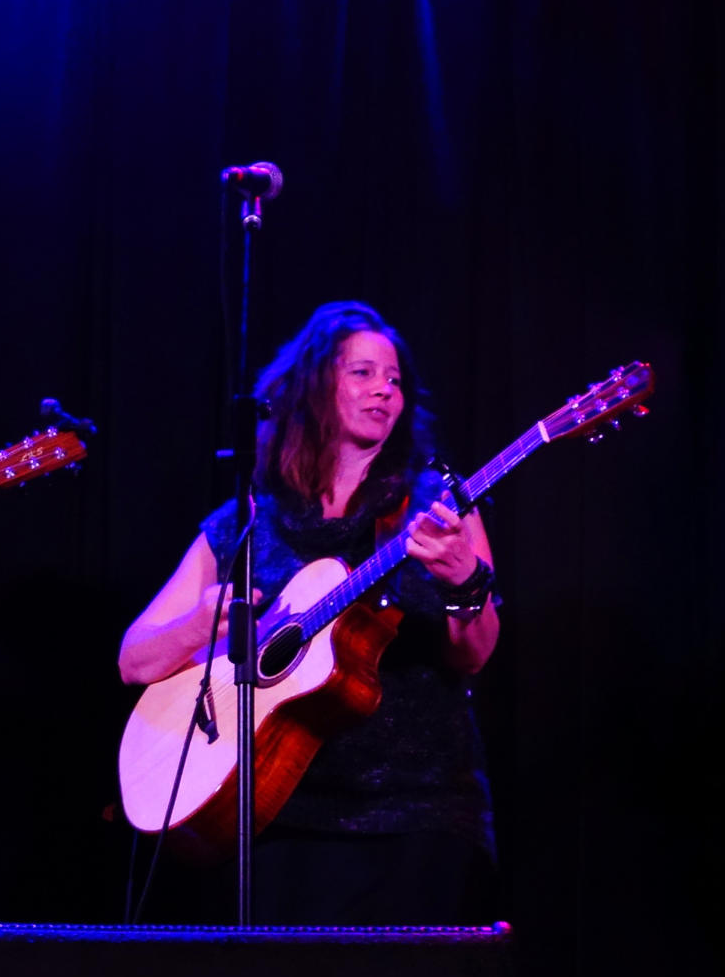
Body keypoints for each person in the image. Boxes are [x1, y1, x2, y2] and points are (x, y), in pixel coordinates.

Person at [116, 301, 502, 926]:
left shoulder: (437, 506)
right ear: (314, 385)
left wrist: (466, 580)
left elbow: (476, 653)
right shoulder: (249, 522)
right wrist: (198, 628)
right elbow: (134, 660)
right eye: (363, 372)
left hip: (418, 817)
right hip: (274, 817)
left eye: (395, 378)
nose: (385, 389)